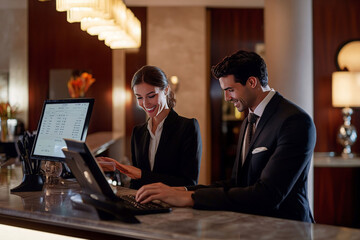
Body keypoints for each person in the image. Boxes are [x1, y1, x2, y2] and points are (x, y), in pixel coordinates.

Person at [135, 50, 317, 223]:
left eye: (230, 90)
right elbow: (236, 183)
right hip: (254, 228)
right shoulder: (248, 121)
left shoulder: (295, 121)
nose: (227, 98)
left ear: (252, 82)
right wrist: (177, 190)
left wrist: (190, 198)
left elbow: (267, 196)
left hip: (288, 230)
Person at [98, 65, 202, 189]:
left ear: (166, 90)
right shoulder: (138, 132)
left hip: (173, 205)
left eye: (151, 96)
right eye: (139, 97)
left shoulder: (187, 127)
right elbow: (135, 183)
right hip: (143, 204)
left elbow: (189, 183)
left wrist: (141, 174)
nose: (146, 104)